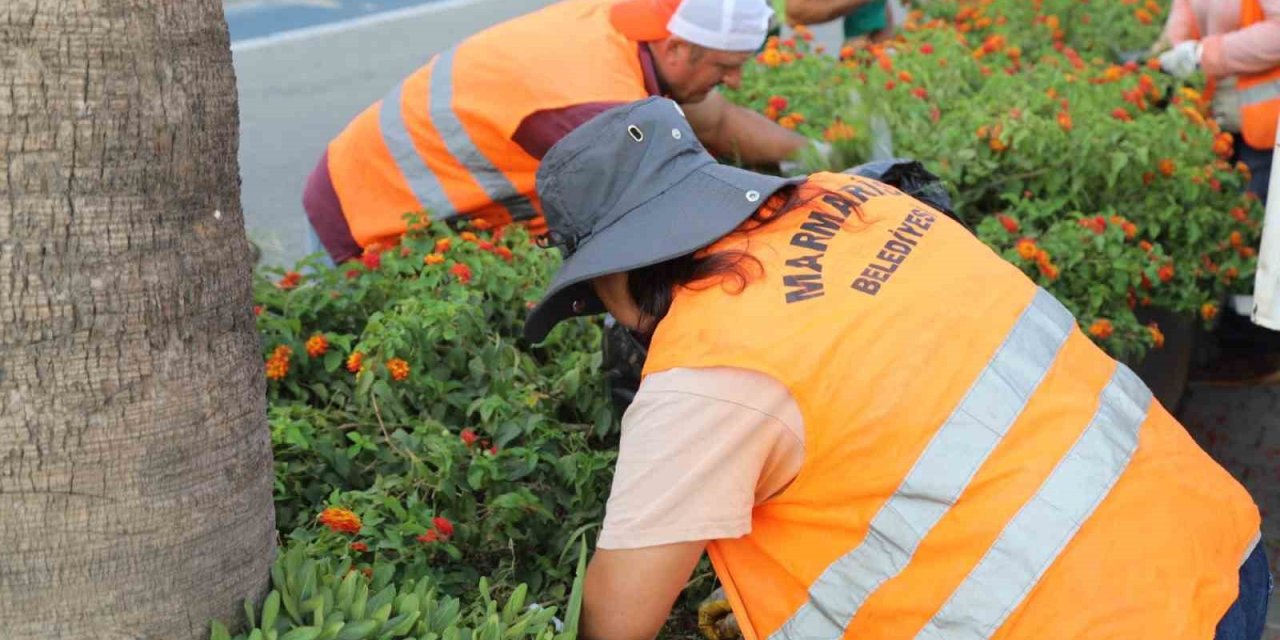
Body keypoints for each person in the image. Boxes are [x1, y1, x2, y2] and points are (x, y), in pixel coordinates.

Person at [525, 97, 1269, 640]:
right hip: (1216, 550)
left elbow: (616, 624)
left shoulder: (705, 373)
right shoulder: (862, 198)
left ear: (611, 268)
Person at [301, 0, 810, 263]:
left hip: (381, 192)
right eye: (727, 66)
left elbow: (718, 121)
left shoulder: (627, 27)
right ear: (677, 49)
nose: (736, 80)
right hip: (367, 222)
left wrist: (822, 158)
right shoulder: (594, 103)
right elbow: (665, 215)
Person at [1154, 0, 1279, 203]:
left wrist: (1204, 54)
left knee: (1262, 222)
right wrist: (1166, 52)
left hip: (1269, 133)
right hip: (1220, 123)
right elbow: (1185, 13)